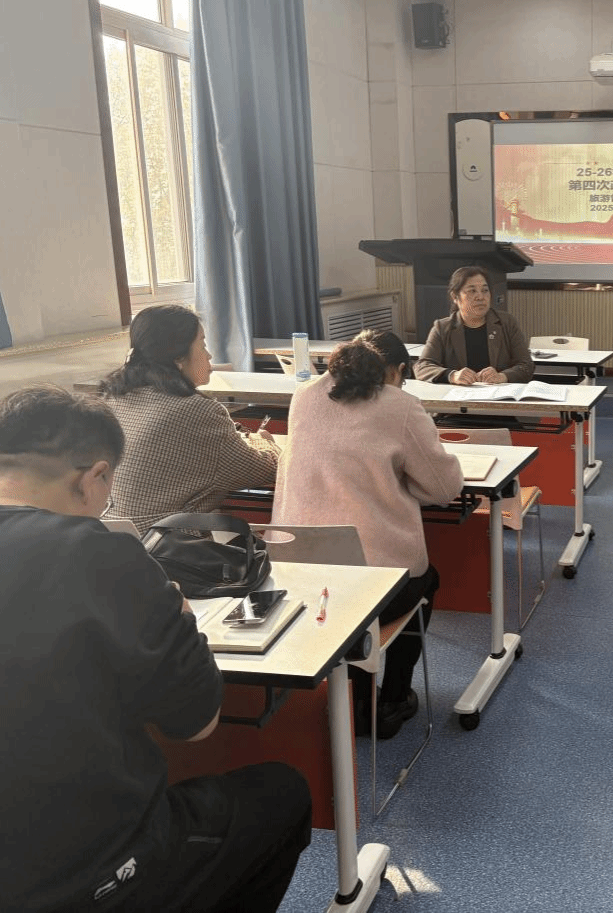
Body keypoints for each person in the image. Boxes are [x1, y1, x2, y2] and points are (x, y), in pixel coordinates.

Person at [0, 385, 311, 913]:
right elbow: (196, 723)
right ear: (94, 478)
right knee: (282, 793)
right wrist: (180, 616)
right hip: (81, 876)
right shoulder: (104, 555)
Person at [273, 330, 464, 738]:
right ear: (396, 371)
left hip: (299, 573)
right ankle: (393, 697)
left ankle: (356, 696)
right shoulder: (400, 406)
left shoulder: (303, 395)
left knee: (352, 589)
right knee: (424, 582)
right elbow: (444, 490)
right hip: (371, 584)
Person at [101, 304, 280, 533]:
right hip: (163, 543)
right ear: (178, 356)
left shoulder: (113, 397)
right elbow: (263, 469)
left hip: (111, 536)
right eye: (203, 344)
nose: (209, 355)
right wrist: (266, 442)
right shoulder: (195, 410)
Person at [414, 265, 535, 385]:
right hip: (458, 395)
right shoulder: (442, 328)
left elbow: (526, 365)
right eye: (472, 291)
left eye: (485, 290)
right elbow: (422, 367)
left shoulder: (506, 323)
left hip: (499, 393)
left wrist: (502, 376)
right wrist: (452, 375)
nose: (480, 297)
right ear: (455, 296)